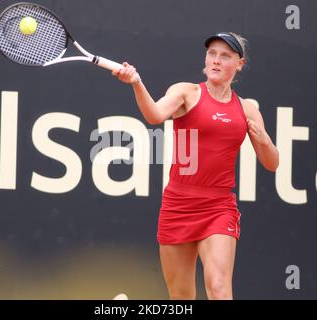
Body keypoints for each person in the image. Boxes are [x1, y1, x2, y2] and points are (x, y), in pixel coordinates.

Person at [112, 32, 279, 300]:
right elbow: (154, 115)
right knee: (181, 298)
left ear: (239, 64)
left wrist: (265, 141)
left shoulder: (247, 110)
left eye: (225, 56)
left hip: (219, 208)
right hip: (178, 205)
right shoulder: (185, 92)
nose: (216, 60)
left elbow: (272, 163)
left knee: (220, 290)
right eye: (212, 53)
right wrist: (137, 83)